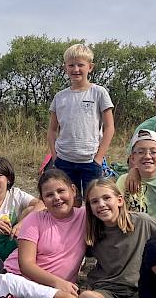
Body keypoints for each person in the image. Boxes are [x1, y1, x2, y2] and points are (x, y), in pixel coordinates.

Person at [47, 43, 115, 201]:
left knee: (94, 202)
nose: (76, 69)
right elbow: (51, 130)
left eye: (80, 65)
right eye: (71, 65)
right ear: (65, 68)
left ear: (90, 67)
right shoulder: (60, 97)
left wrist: (99, 158)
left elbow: (110, 127)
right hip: (64, 160)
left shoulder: (99, 92)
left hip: (90, 160)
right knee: (71, 202)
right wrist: (55, 156)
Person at [4, 169, 87, 297]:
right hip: (20, 281)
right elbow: (26, 265)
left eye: (61, 191)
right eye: (49, 195)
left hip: (57, 290)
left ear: (73, 190)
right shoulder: (34, 220)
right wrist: (58, 283)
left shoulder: (85, 216)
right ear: (42, 199)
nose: (56, 198)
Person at [81, 178, 156, 298]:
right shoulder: (92, 231)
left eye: (106, 198)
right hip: (107, 288)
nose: (101, 204)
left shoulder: (142, 222)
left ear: (120, 200)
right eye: (94, 201)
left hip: (140, 288)